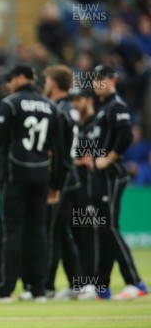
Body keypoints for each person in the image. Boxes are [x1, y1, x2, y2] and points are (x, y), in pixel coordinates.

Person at [0, 64, 62, 302]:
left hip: (15, 176)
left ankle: (5, 288)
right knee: (38, 232)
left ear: (22, 78)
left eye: (11, 78)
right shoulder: (50, 106)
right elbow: (59, 150)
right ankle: (37, 288)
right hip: (41, 178)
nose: (9, 83)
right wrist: (56, 184)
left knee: (12, 232)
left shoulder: (10, 103)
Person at [85, 65, 147, 300]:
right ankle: (102, 286)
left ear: (113, 80)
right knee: (103, 229)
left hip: (112, 175)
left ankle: (136, 282)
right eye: (95, 80)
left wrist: (106, 160)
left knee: (109, 227)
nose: (97, 83)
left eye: (102, 79)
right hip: (102, 176)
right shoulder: (103, 108)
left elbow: (126, 135)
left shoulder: (116, 105)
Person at [41, 65, 84, 299]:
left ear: (54, 83)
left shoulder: (59, 109)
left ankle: (45, 286)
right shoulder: (69, 108)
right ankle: (76, 283)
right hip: (70, 175)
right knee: (60, 232)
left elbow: (60, 149)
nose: (44, 84)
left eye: (47, 80)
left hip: (63, 177)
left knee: (51, 231)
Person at [69, 87, 100, 300]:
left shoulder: (97, 124)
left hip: (93, 188)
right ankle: (80, 282)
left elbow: (94, 158)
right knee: (76, 234)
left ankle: (92, 282)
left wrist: (79, 161)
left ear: (89, 100)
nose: (75, 104)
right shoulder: (75, 125)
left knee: (90, 234)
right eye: (73, 100)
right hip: (75, 187)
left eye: (78, 99)